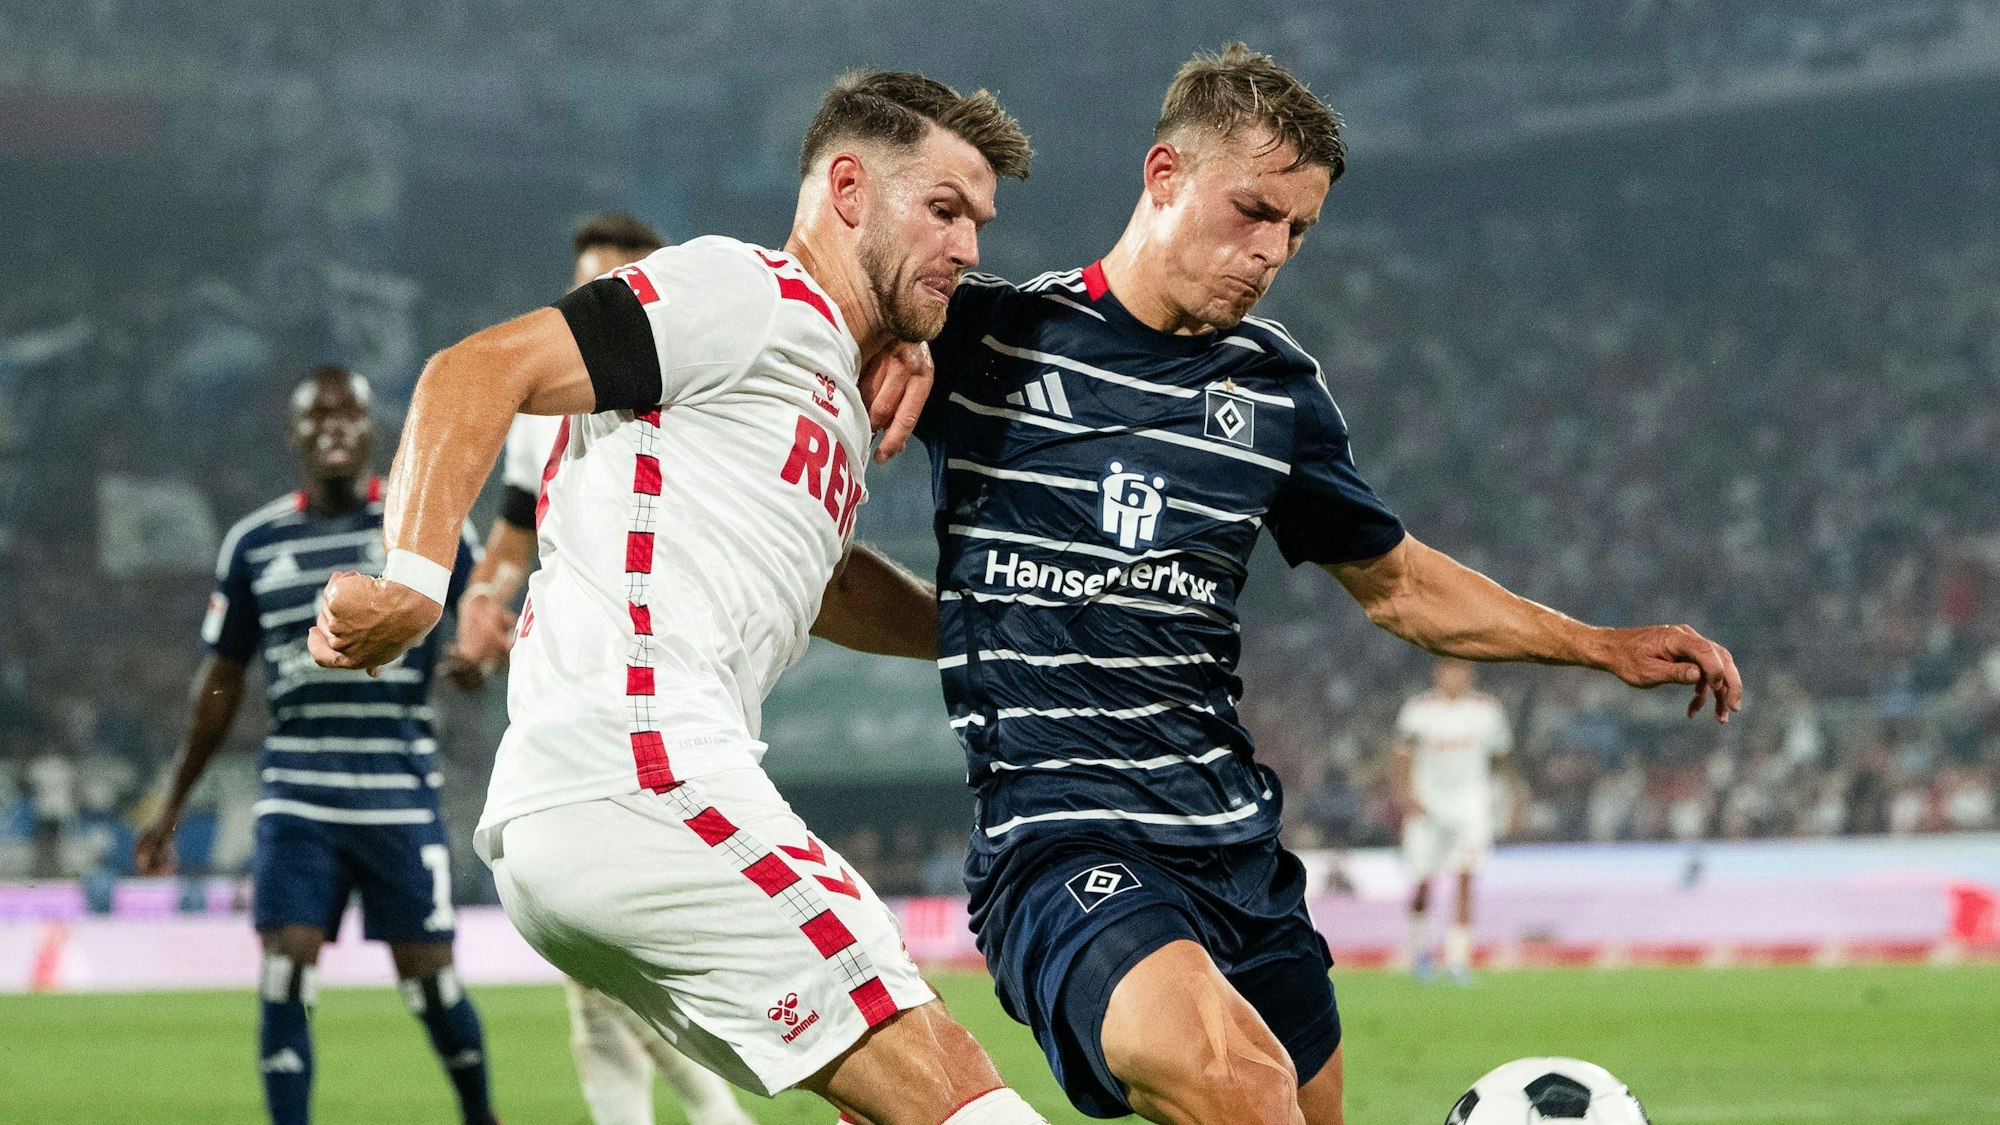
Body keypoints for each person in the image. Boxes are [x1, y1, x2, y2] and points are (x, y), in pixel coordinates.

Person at [911, 43, 1743, 1125]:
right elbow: (805, 331)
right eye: (1251, 210)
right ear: (1163, 175)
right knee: (1239, 1088)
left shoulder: (1271, 391)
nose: (1268, 252)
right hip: (1063, 835)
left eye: (1294, 231)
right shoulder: (983, 336)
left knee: (1295, 1111)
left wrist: (1599, 645)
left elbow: (1394, 585)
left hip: (1232, 847)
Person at [309, 71, 1052, 1125]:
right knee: (948, 1083)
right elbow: (480, 369)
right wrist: (416, 580)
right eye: (942, 210)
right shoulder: (741, 291)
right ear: (846, 188)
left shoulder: (829, 386)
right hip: (637, 768)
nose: (968, 248)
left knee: (893, 1085)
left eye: (975, 222)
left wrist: (975, 633)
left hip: (597, 807)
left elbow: (826, 581)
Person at [450, 211, 756, 1125]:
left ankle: (721, 1109)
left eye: (617, 285)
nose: (596, 303)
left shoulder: (695, 390)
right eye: (586, 285)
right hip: (562, 680)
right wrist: (484, 603)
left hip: (667, 683)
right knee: (593, 957)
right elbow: (513, 532)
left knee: (629, 937)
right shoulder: (541, 401)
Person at [135, 367, 498, 1125]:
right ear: (294, 433)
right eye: (317, 415)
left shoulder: (424, 526)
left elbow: (479, 635)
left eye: (349, 414)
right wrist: (171, 800)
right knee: (285, 968)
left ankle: (481, 1116)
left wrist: (474, 662)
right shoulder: (255, 542)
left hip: (399, 786)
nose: (334, 426)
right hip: (298, 790)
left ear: (372, 429)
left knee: (430, 983)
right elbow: (220, 684)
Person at [1393, 658, 1513, 984]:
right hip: (1427, 806)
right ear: (1438, 673)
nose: (1455, 677)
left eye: (1461, 671)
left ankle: (1459, 960)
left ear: (1470, 675)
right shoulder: (1418, 710)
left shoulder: (1487, 711)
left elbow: (1501, 760)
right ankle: (1421, 953)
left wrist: (1509, 800)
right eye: (1449, 671)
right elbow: (1401, 756)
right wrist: (1407, 796)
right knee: (1422, 882)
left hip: (1470, 807)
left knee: (1465, 878)